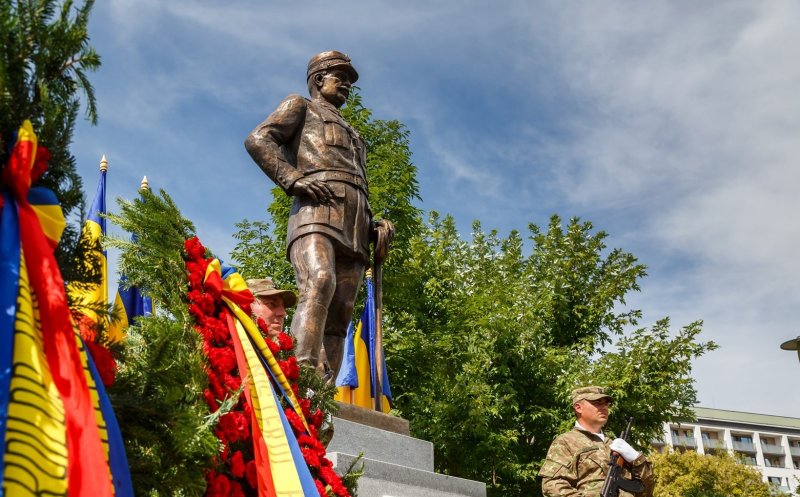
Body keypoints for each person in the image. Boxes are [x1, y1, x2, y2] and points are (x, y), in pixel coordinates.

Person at [244, 51, 393, 378]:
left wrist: (375, 227)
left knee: (341, 312)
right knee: (319, 280)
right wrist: (292, 177)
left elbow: (355, 182)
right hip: (315, 214)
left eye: (349, 81)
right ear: (317, 80)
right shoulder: (300, 106)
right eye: (339, 78)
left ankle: (322, 397)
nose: (346, 86)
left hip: (354, 225)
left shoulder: (355, 134)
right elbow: (258, 139)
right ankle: (299, 379)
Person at [540, 386, 654, 497]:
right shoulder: (566, 441)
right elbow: (552, 485)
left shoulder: (615, 445)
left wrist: (637, 460)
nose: (604, 407)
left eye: (606, 404)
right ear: (578, 407)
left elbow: (646, 491)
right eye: (597, 403)